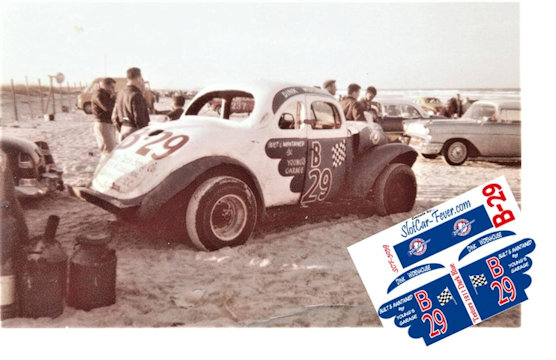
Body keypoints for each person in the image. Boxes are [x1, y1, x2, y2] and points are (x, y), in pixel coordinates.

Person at [112, 67, 150, 140]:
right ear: (138, 78)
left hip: (123, 129)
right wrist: (145, 133)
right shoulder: (136, 95)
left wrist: (122, 125)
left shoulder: (120, 93)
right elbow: (139, 118)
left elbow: (116, 115)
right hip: (134, 131)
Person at [91, 77, 117, 154]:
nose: (113, 89)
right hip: (103, 124)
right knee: (108, 151)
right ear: (105, 86)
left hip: (107, 124)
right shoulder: (99, 94)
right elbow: (107, 108)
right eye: (112, 87)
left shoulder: (105, 94)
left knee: (109, 149)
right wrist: (113, 99)